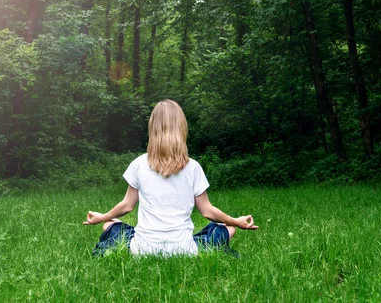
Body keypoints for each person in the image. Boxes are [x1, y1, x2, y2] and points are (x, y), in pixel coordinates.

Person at [83, 99, 258, 256]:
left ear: (153, 128)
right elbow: (207, 211)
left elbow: (127, 206)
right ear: (181, 128)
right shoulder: (193, 166)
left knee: (110, 224)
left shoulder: (138, 163)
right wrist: (235, 221)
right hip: (184, 249)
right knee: (228, 228)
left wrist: (103, 217)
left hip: (143, 249)